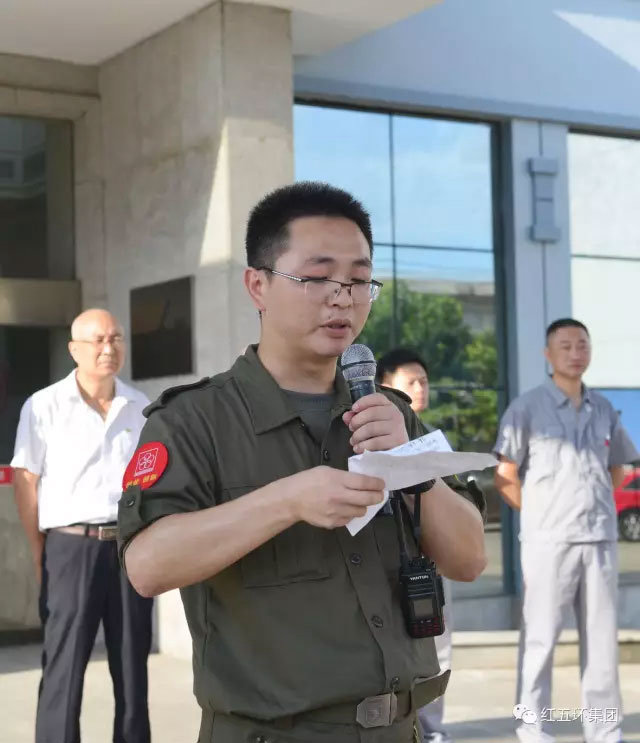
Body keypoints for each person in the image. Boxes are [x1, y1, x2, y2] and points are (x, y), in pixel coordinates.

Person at [118, 182, 487, 743]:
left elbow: (470, 558)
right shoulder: (195, 421)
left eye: (359, 280)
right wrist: (286, 501)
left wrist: (413, 469)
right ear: (258, 285)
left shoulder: (389, 413)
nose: (342, 298)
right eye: (317, 278)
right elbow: (147, 566)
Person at [493, 318, 638, 743]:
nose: (576, 353)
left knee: (602, 642)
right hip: (548, 542)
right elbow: (505, 475)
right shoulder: (525, 408)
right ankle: (532, 727)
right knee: (539, 639)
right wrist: (541, 514)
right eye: (566, 345)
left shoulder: (604, 408)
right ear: (547, 354)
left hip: (599, 540)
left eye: (582, 344)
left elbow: (618, 467)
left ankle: (605, 730)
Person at [12, 309, 153, 743]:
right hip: (70, 548)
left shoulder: (141, 406)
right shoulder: (44, 406)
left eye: (116, 338)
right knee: (64, 668)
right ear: (74, 349)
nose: (109, 348)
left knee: (132, 668)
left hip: (128, 549)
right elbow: (26, 479)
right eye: (98, 340)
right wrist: (41, 552)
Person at [377, 348, 453, 743]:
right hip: (386, 564)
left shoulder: (432, 439)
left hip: (430, 562)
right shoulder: (364, 438)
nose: (421, 388)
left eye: (424, 381)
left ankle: (432, 730)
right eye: (412, 382)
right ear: (385, 386)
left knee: (439, 645)